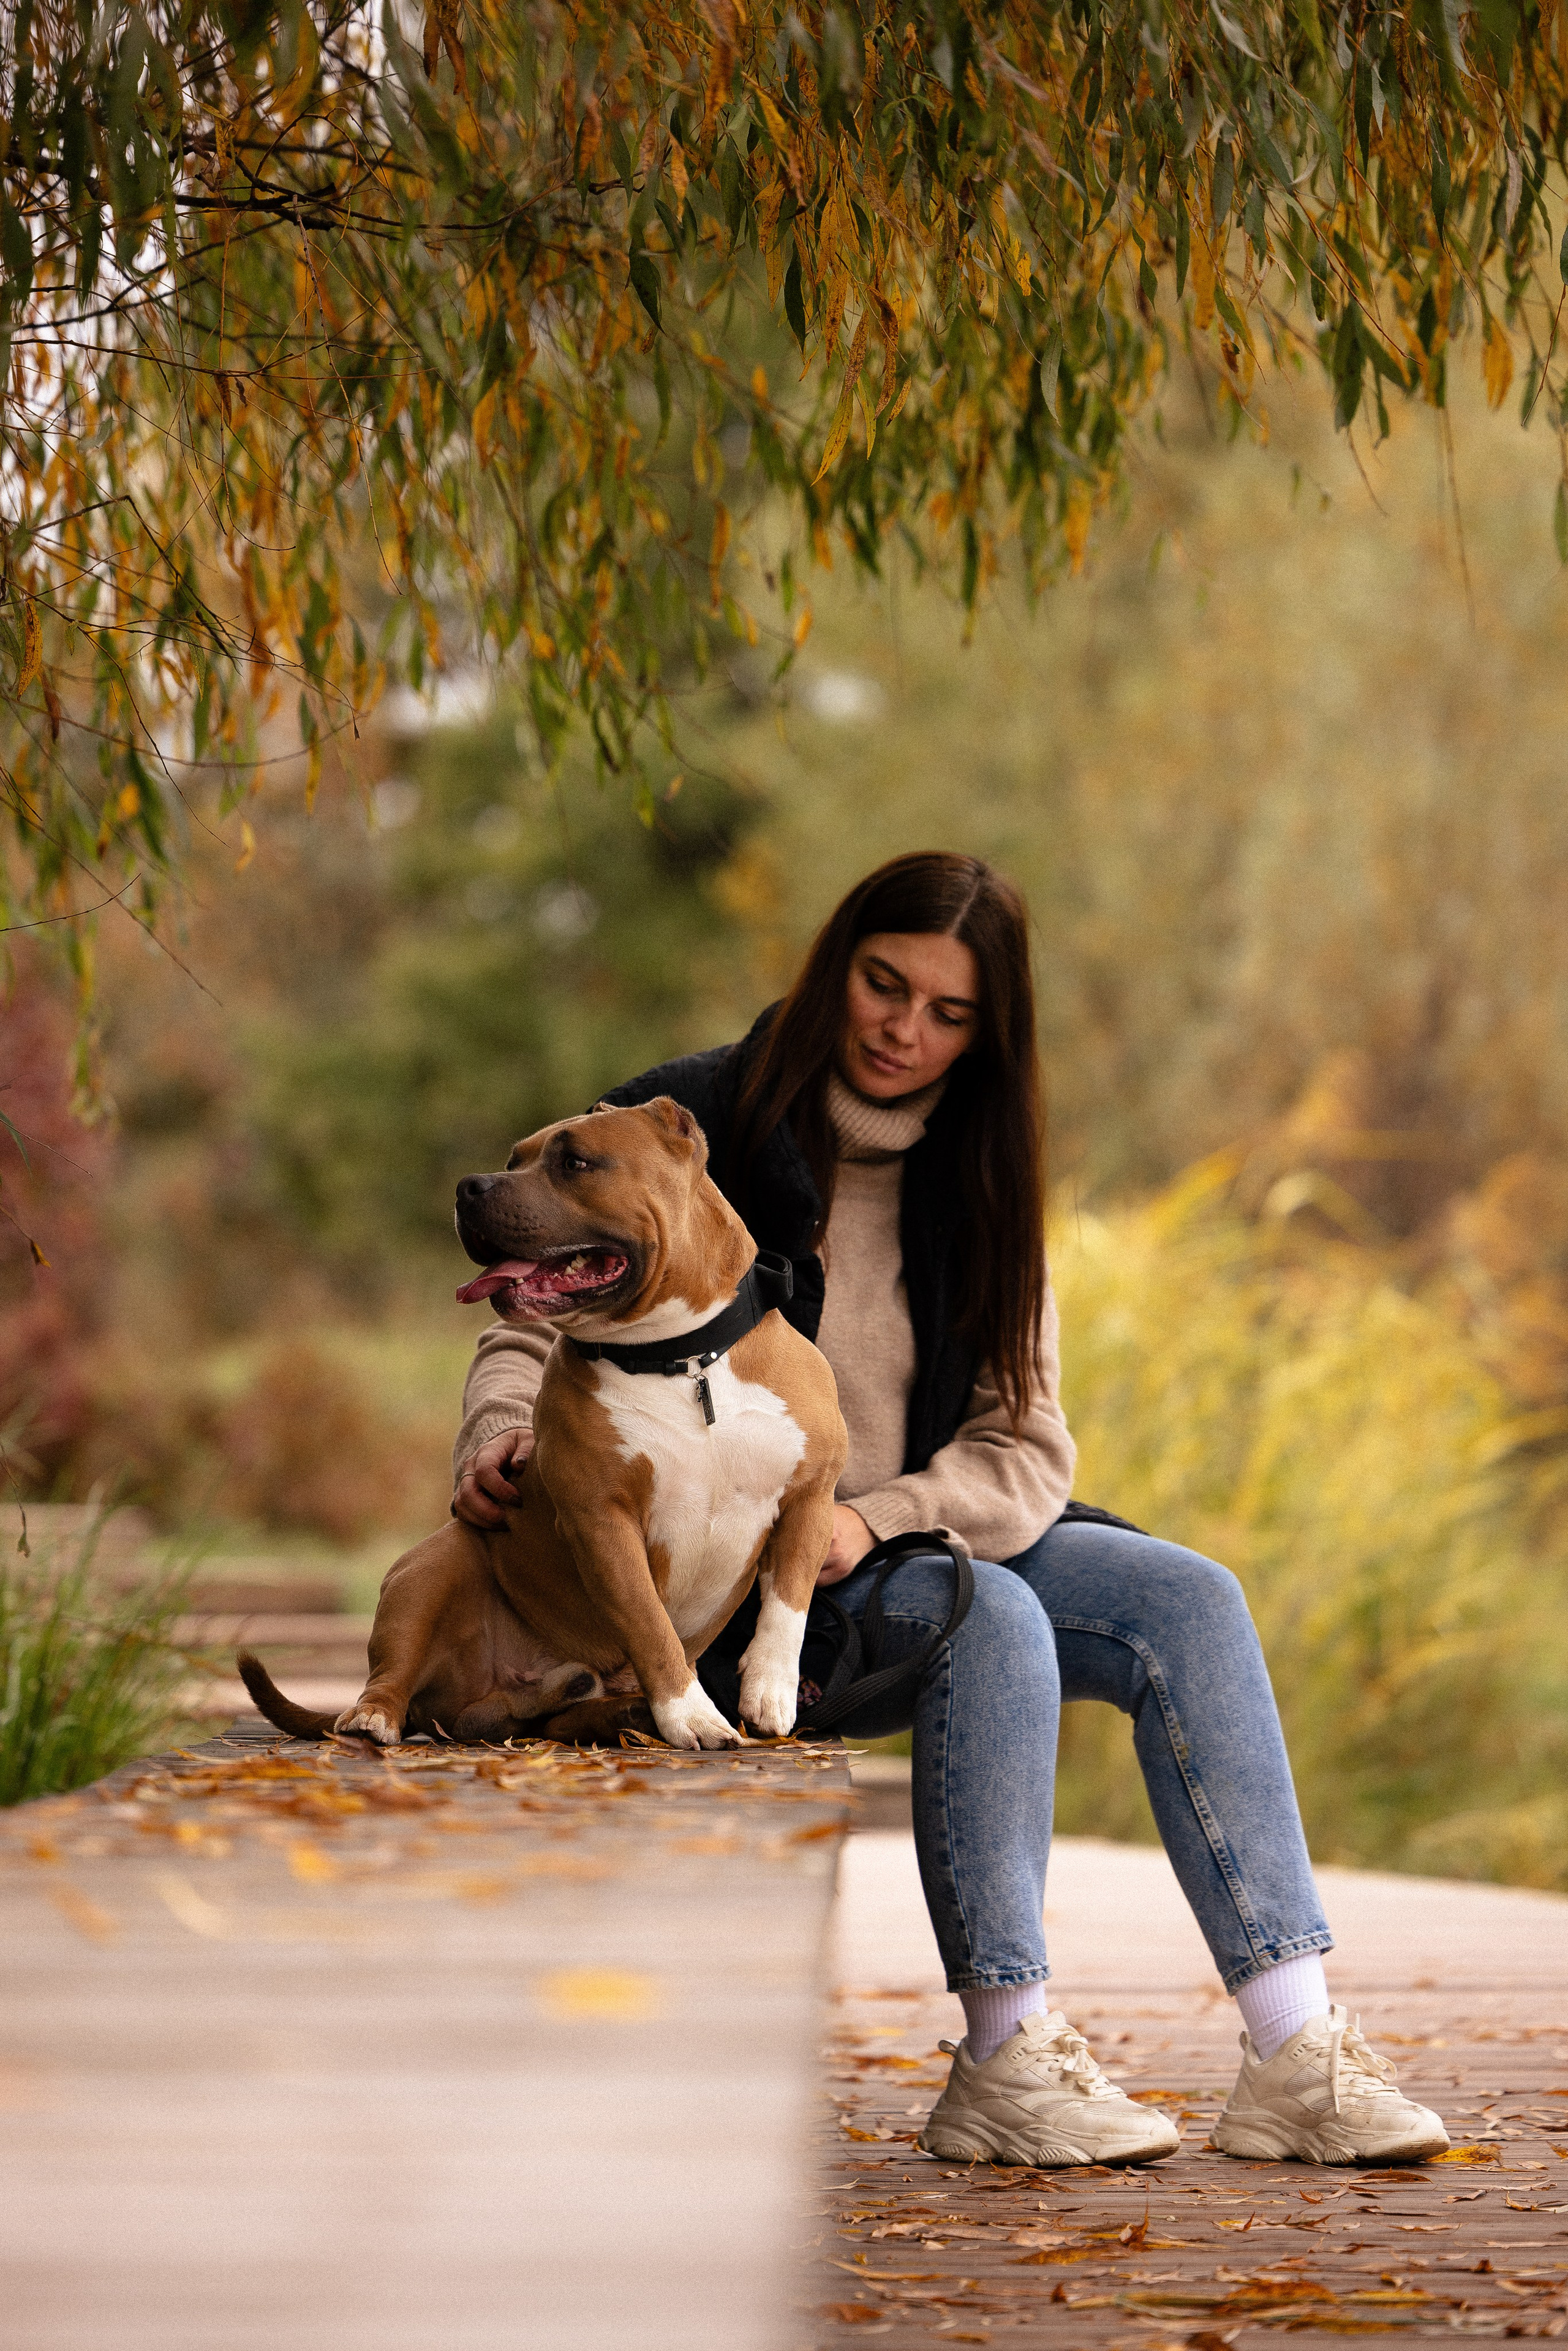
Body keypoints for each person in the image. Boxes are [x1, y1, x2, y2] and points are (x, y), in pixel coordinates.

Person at [452, 850, 1448, 2169]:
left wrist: (885, 1516)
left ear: (985, 1033)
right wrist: (499, 1427)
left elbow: (1023, 1444)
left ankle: (1293, 2050)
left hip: (895, 1535)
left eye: (946, 1012)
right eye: (881, 983)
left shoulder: (984, 1179)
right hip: (729, 1576)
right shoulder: (693, 1116)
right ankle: (1006, 2052)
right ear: (834, 965)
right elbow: (544, 1285)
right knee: (994, 1622)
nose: (901, 1028)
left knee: (1187, 1598)